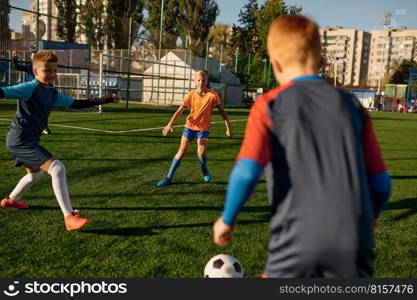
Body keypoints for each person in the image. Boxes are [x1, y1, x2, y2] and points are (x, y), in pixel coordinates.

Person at [212, 15, 391, 277]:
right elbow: (381, 183)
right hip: (354, 243)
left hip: (297, 239)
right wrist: (371, 214)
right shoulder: (352, 105)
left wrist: (226, 220)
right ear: (321, 62)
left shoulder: (269, 105)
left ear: (275, 64)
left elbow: (247, 172)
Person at [0, 51, 118, 231]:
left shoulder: (52, 93)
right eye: (48, 70)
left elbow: (77, 103)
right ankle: (69, 217)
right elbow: (3, 92)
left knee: (35, 175)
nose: (52, 74)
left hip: (28, 139)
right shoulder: (30, 87)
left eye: (55, 70)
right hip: (20, 139)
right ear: (35, 71)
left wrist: (106, 99)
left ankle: (11, 200)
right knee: (57, 168)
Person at [156, 69, 232, 187]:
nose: (201, 82)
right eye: (198, 80)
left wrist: (228, 128)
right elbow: (180, 111)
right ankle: (169, 177)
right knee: (181, 152)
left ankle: (204, 170)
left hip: (203, 129)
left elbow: (222, 112)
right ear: (194, 81)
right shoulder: (190, 95)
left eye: (203, 80)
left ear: (207, 81)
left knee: (201, 153)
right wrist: (170, 124)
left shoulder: (213, 95)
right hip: (189, 127)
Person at [12, 48, 51, 135]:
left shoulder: (43, 66)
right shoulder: (29, 67)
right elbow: (16, 66)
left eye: (36, 54)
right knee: (27, 111)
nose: (33, 56)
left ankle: (43, 127)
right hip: (31, 92)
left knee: (45, 110)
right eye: (32, 55)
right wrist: (14, 57)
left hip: (42, 91)